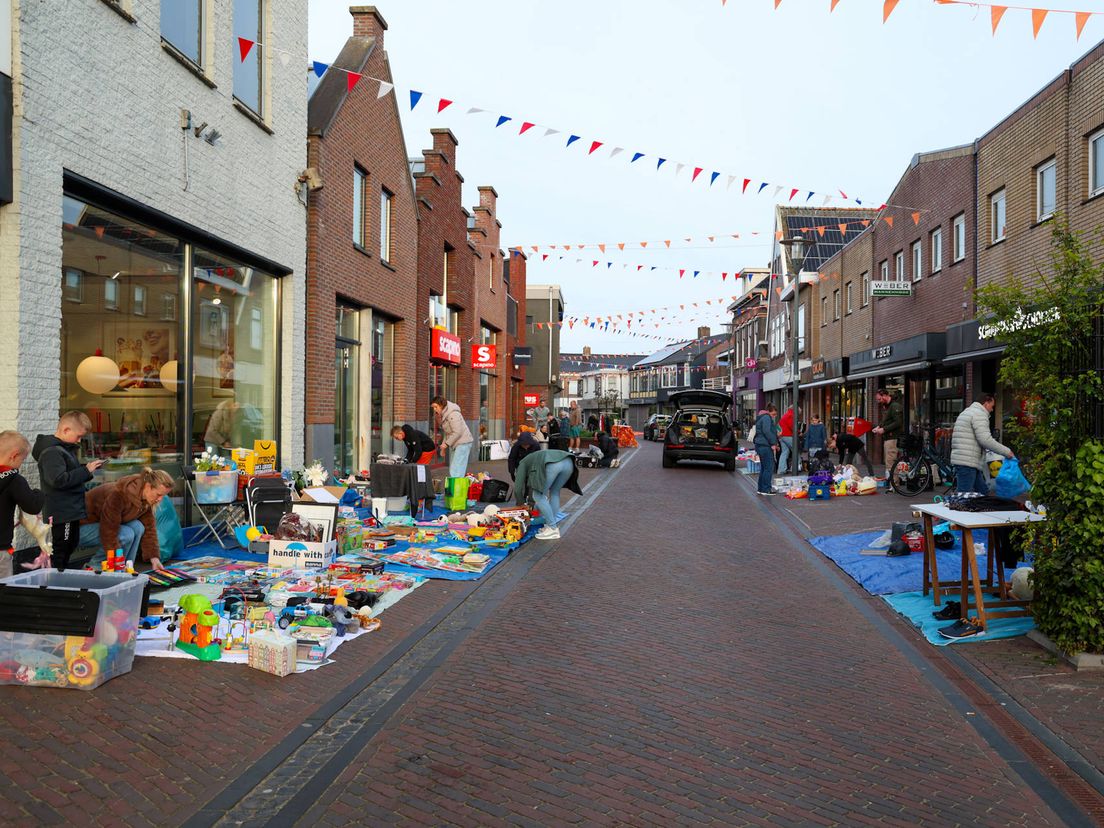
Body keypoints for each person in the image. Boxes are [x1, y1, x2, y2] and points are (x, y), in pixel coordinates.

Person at [33, 411, 105, 571]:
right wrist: (85, 470)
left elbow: (67, 475)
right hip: (62, 510)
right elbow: (58, 480)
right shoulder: (52, 452)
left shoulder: (63, 449)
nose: (79, 441)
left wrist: (86, 471)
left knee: (69, 545)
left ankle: (59, 579)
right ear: (66, 430)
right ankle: (55, 582)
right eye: (78, 436)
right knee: (62, 549)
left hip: (69, 509)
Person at [80, 467, 173, 571]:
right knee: (126, 533)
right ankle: (93, 567)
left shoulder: (145, 498)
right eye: (158, 494)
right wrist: (117, 563)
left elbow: (149, 528)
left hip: (103, 526)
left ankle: (127, 568)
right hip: (79, 528)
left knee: (138, 527)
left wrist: (154, 558)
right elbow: (108, 532)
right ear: (148, 486)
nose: (160, 499)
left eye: (163, 496)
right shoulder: (119, 494)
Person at [0, 431, 46, 578]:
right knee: (4, 589)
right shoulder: (14, 479)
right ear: (13, 456)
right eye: (22, 459)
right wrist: (39, 493)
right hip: (0, 549)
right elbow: (32, 506)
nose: (21, 464)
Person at [951, 393, 1014, 496]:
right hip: (968, 462)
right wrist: (1007, 452)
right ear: (986, 403)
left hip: (968, 461)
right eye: (992, 406)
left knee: (983, 493)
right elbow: (985, 440)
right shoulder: (979, 414)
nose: (992, 410)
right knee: (963, 497)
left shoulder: (967, 412)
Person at [513, 448, 582, 541]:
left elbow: (518, 488)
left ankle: (552, 528)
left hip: (552, 463)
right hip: (569, 462)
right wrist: (535, 512)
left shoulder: (522, 463)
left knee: (537, 495)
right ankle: (550, 524)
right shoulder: (533, 459)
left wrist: (520, 504)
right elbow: (543, 496)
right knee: (555, 491)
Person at [431, 396, 474, 478]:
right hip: (457, 443)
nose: (434, 409)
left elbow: (458, 432)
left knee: (456, 469)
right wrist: (443, 448)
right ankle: (455, 489)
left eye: (436, 407)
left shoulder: (453, 414)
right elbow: (448, 433)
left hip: (463, 442)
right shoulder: (445, 415)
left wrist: (446, 445)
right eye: (433, 407)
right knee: (455, 468)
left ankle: (456, 489)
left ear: (441, 405)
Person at [871, 387, 903, 476]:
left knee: (891, 462)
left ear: (885, 396)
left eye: (879, 399)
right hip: (888, 438)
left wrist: (884, 429)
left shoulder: (895, 406)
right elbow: (886, 420)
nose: (879, 401)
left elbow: (898, 422)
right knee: (889, 462)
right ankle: (891, 484)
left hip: (892, 438)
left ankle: (894, 485)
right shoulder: (888, 406)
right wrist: (879, 426)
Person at [752, 405, 779, 496]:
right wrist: (773, 443)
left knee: (764, 468)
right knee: (768, 468)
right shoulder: (767, 418)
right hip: (765, 445)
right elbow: (767, 431)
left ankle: (761, 488)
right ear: (769, 411)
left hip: (760, 445)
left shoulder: (761, 417)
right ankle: (766, 489)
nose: (774, 416)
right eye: (773, 414)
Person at [777, 406, 795, 474]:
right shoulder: (790, 415)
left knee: (785, 452)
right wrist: (799, 432)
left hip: (781, 436)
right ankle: (796, 467)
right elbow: (792, 426)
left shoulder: (785, 415)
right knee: (796, 450)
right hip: (788, 436)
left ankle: (781, 470)